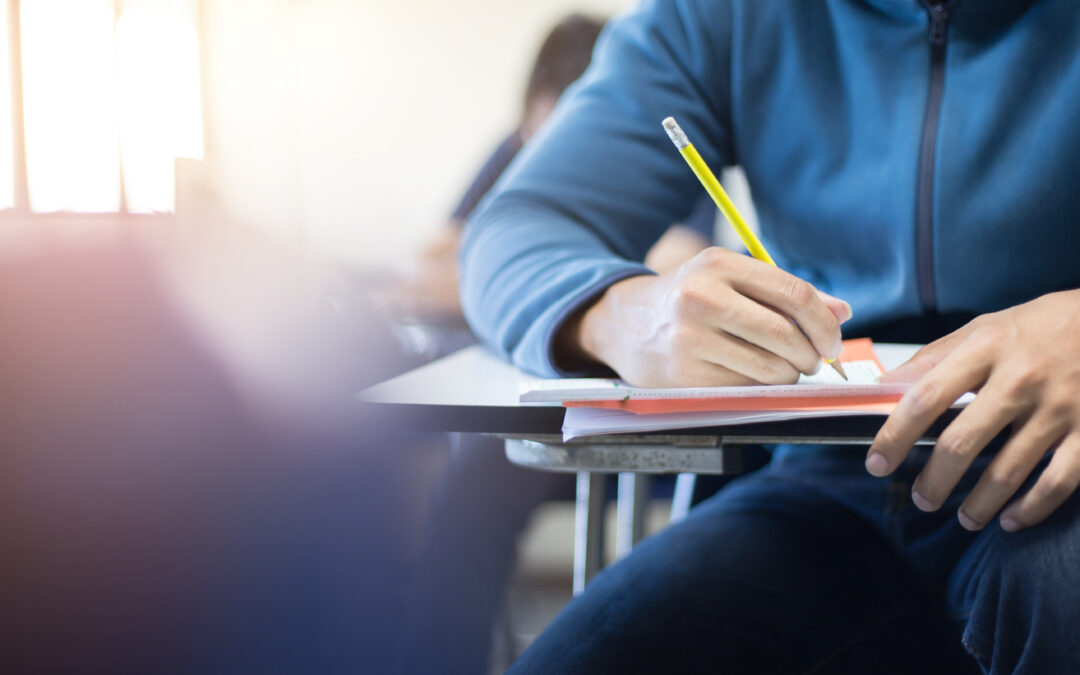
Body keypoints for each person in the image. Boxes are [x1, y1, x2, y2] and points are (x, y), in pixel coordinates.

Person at [460, 1, 1080, 672]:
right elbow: (513, 230)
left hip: (1059, 468)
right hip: (825, 474)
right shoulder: (726, 14)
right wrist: (624, 313)